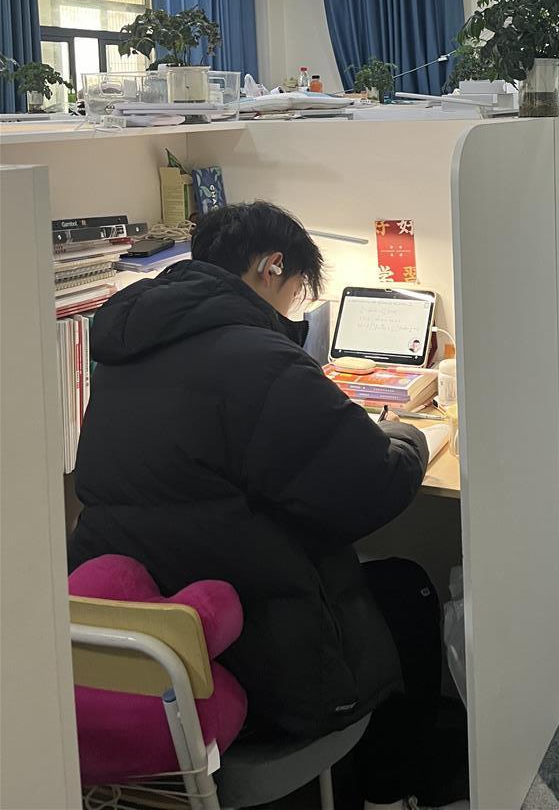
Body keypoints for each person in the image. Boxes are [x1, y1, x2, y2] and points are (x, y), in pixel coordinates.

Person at [69, 201, 462, 810]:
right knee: (404, 587)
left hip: (144, 649)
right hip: (259, 664)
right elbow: (374, 484)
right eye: (297, 292)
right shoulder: (258, 360)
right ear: (271, 266)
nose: (292, 311)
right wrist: (411, 436)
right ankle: (392, 787)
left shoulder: (121, 353)